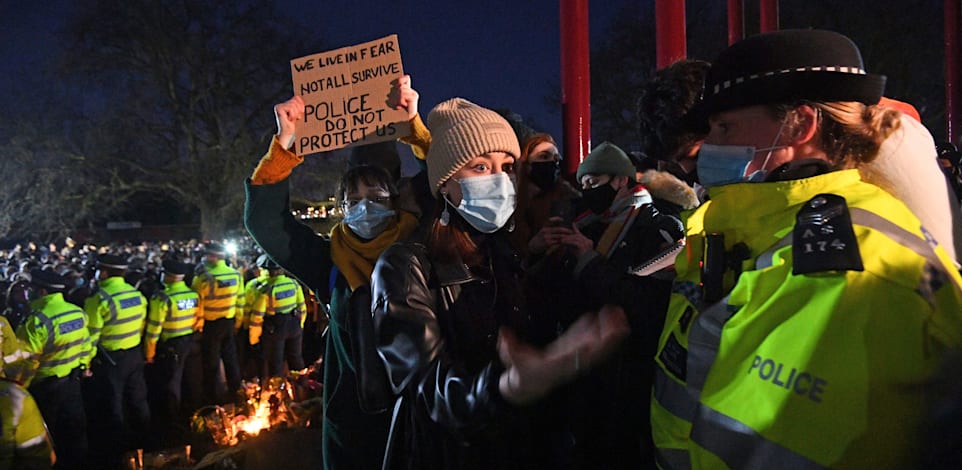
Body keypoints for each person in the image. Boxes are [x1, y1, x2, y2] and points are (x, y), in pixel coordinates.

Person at [649, 29, 962, 469]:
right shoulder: (768, 228)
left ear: (799, 124)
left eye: (725, 126)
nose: (710, 147)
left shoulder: (840, 270)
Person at [370, 97, 629, 469]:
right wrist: (503, 388)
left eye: (506, 166)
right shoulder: (404, 265)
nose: (499, 179)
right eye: (480, 166)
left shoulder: (502, 252)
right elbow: (427, 388)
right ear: (445, 184)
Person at [244, 95, 419, 469]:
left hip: (419, 420)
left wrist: (414, 128)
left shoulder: (424, 247)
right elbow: (267, 224)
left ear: (396, 200)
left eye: (376, 195)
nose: (364, 206)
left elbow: (444, 185)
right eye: (353, 198)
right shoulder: (329, 260)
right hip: (354, 433)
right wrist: (285, 143)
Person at [522, 141, 685, 468]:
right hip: (583, 372)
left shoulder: (661, 228)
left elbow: (647, 306)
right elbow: (555, 293)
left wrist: (589, 260)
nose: (587, 191)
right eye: (582, 185)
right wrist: (537, 252)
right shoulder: (587, 224)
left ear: (621, 180)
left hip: (628, 379)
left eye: (594, 183)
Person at [16, 270, 90, 469]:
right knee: (75, 433)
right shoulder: (77, 312)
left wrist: (22, 387)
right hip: (72, 382)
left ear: (41, 292)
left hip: (46, 388)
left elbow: (27, 362)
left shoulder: (36, 321)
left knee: (48, 437)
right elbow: (86, 345)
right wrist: (83, 366)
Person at [82, 254, 150, 468]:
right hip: (134, 354)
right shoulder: (136, 294)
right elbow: (141, 324)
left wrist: (85, 364)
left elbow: (91, 337)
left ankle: (120, 451)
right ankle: (146, 440)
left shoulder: (99, 299)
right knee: (139, 399)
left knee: (114, 404)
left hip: (112, 361)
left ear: (103, 272)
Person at [144, 259, 199, 445]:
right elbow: (198, 320)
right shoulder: (192, 294)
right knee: (188, 378)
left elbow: (154, 329)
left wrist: (149, 353)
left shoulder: (162, 298)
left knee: (172, 384)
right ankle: (190, 410)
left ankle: (173, 420)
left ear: (167, 275)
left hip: (171, 346)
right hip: (188, 341)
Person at [509, 133, 581, 257]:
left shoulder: (567, 199)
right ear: (526, 165)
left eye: (556, 159)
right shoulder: (509, 204)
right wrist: (531, 248)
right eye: (543, 156)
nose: (552, 163)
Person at [191, 242, 244, 405]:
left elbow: (197, 306)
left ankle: (213, 398)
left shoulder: (202, 278)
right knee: (231, 359)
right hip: (228, 322)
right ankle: (237, 392)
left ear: (213, 257)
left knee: (212, 362)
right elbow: (240, 301)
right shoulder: (235, 275)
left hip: (210, 325)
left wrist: (198, 328)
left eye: (207, 255)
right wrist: (238, 322)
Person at [248, 255, 306, 378]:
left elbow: (256, 318)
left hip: (275, 330)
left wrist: (254, 339)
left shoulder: (265, 290)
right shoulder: (294, 284)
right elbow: (302, 308)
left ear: (266, 271)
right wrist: (300, 325)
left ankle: (278, 392)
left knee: (276, 364)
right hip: (294, 327)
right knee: (296, 359)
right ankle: (303, 386)